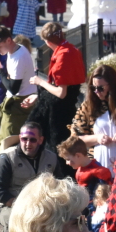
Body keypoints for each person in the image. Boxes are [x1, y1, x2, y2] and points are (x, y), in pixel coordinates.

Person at [0, 122, 62, 232]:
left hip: (42, 203)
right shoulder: (6, 158)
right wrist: (22, 206)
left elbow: (58, 185)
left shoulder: (51, 158)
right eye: (24, 139)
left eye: (32, 140)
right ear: (19, 138)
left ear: (40, 140)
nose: (28, 143)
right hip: (11, 205)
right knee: (14, 219)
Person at [27, 22, 87, 150]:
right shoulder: (72, 49)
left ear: (47, 42)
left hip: (59, 112)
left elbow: (61, 92)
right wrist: (39, 96)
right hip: (67, 105)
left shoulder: (63, 55)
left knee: (53, 147)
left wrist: (39, 82)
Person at [70, 65, 116, 172]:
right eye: (93, 88)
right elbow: (75, 139)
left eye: (101, 88)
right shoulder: (88, 107)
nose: (97, 92)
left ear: (111, 86)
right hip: (97, 166)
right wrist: (97, 138)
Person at [0, 25, 37, 148]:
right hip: (19, 101)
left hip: (18, 104)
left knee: (6, 142)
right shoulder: (16, 50)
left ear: (8, 40)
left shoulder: (18, 58)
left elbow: (14, 88)